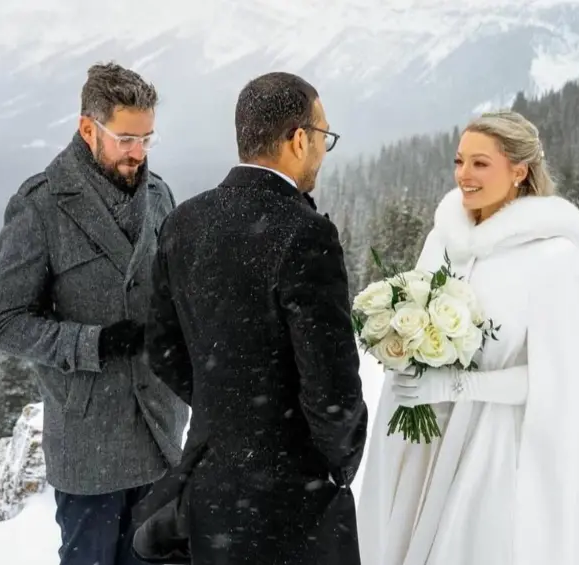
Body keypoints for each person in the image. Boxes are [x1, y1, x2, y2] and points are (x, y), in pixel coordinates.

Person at [356, 110, 579, 565]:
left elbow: (560, 377)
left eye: (480, 163)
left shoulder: (553, 258)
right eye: (459, 161)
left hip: (494, 451)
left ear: (519, 170)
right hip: (425, 439)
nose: (464, 176)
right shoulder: (444, 238)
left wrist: (460, 386)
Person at [141, 71, 368, 565]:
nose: (324, 150)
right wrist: (337, 463)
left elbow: (161, 349)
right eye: (323, 136)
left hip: (211, 488)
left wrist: (225, 408)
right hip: (291, 499)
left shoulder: (184, 222)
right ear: (299, 139)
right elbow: (332, 391)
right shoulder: (306, 234)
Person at [0, 62, 189, 565]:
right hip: (88, 445)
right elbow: (4, 323)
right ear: (87, 128)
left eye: (147, 139)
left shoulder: (160, 195)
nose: (138, 152)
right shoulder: (41, 205)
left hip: (160, 433)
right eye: (125, 139)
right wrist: (92, 343)